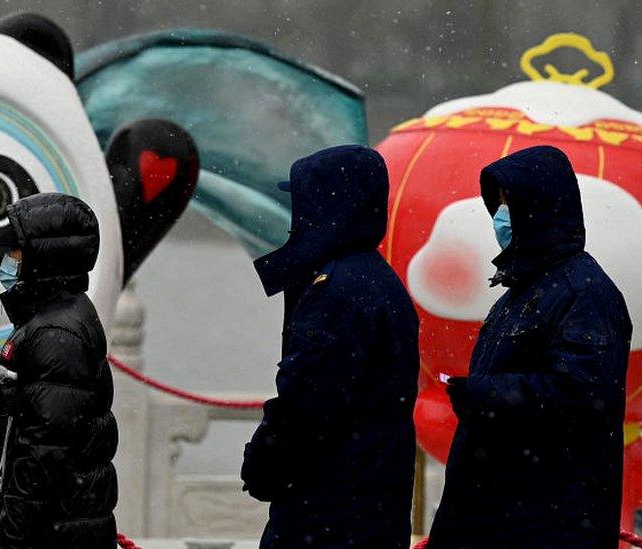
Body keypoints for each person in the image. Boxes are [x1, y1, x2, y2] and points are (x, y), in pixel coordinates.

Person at [428, 146, 631, 548]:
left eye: (509, 202)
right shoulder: (524, 288)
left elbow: (580, 395)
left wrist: (482, 395)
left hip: (545, 521)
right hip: (505, 515)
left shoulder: (584, 292)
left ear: (540, 208)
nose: (500, 216)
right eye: (498, 204)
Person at [242, 145, 420, 548]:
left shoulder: (337, 290)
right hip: (370, 506)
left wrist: (263, 462)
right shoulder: (378, 280)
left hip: (329, 514)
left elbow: (306, 401)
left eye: (304, 201)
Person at [0, 193, 117, 549]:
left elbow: (42, 457)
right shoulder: (50, 320)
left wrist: (8, 541)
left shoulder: (54, 334)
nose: (7, 261)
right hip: (57, 530)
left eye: (16, 250)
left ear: (44, 257)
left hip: (48, 536)